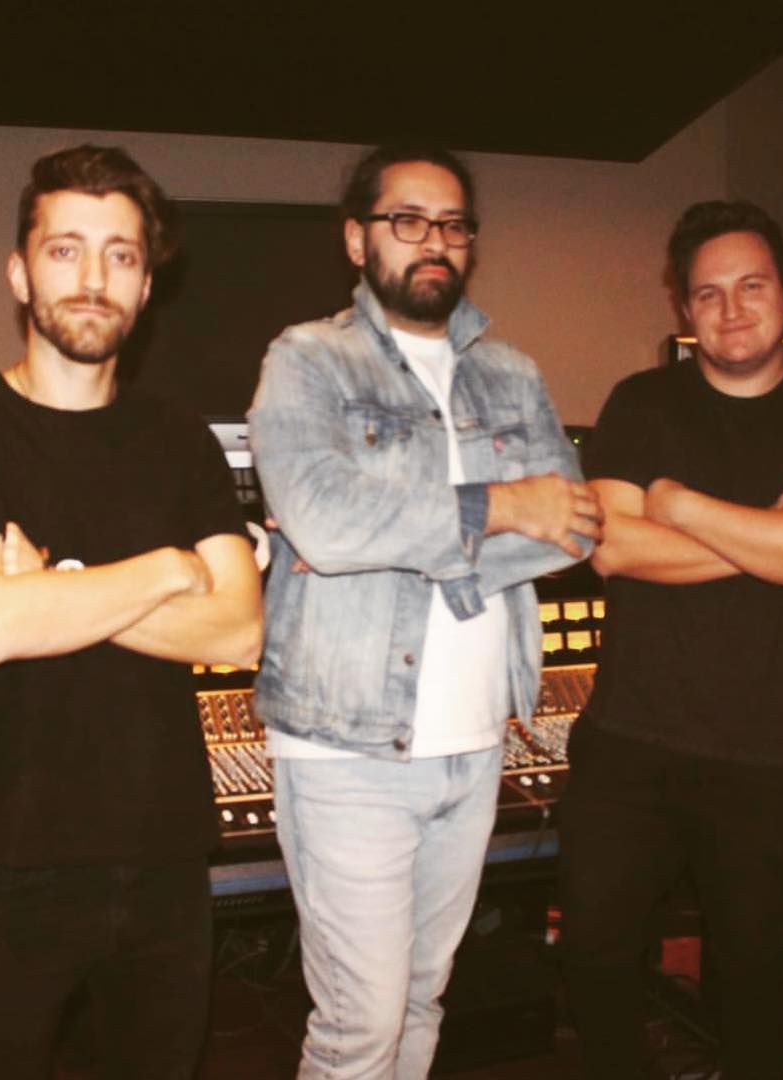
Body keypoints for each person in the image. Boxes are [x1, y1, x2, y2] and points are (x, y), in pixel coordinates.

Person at [0, 144, 263, 1078]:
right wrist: (171, 567)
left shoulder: (179, 440)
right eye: (65, 250)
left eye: (121, 255)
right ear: (20, 275)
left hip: (164, 865)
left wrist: (54, 581)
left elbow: (240, 629)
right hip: (3, 870)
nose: (93, 278)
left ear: (146, 287)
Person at [248, 142, 602, 1079]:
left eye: (452, 224)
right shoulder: (307, 360)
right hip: (347, 748)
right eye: (407, 220)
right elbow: (326, 522)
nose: (433, 240)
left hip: (476, 743)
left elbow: (572, 528)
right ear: (357, 239)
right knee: (358, 1028)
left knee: (421, 1001)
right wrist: (499, 505)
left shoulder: (512, 373)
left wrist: (397, 531)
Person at [559, 200, 783, 1079]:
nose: (731, 310)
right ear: (683, 308)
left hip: (766, 755)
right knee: (594, 958)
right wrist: (768, 528)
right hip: (629, 744)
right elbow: (614, 550)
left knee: (751, 977)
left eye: (752, 286)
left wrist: (679, 504)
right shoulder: (640, 403)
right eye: (708, 293)